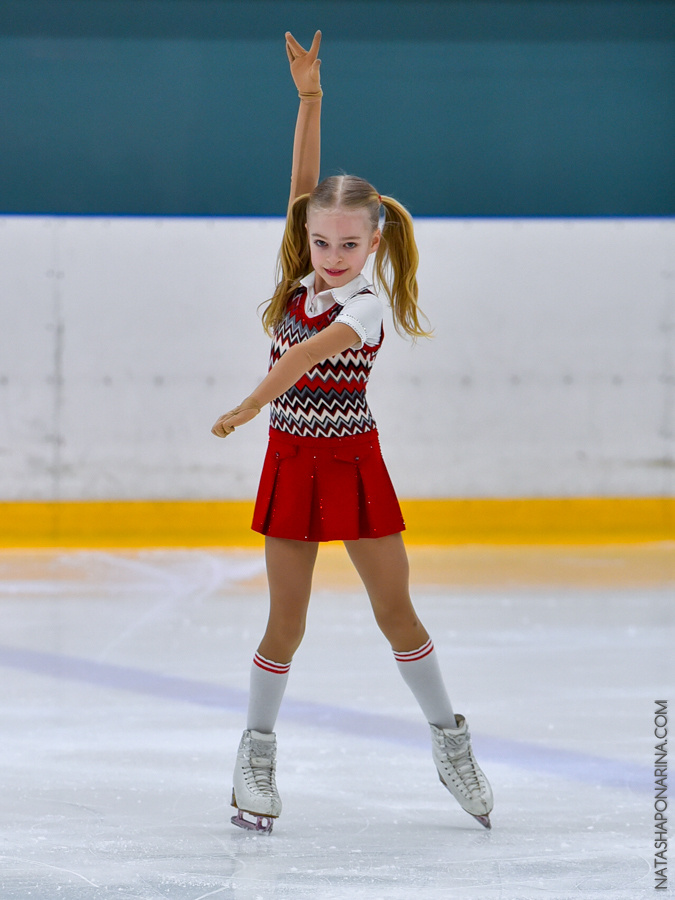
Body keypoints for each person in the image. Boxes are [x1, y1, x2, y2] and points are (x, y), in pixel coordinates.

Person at [211, 30, 493, 833]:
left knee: (395, 615)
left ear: (375, 242)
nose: (331, 255)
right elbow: (305, 189)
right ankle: (255, 753)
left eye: (347, 244)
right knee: (284, 623)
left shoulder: (362, 307)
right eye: (320, 240)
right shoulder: (300, 273)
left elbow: (298, 359)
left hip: (352, 464)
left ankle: (449, 740)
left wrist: (244, 405)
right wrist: (309, 99)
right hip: (291, 463)